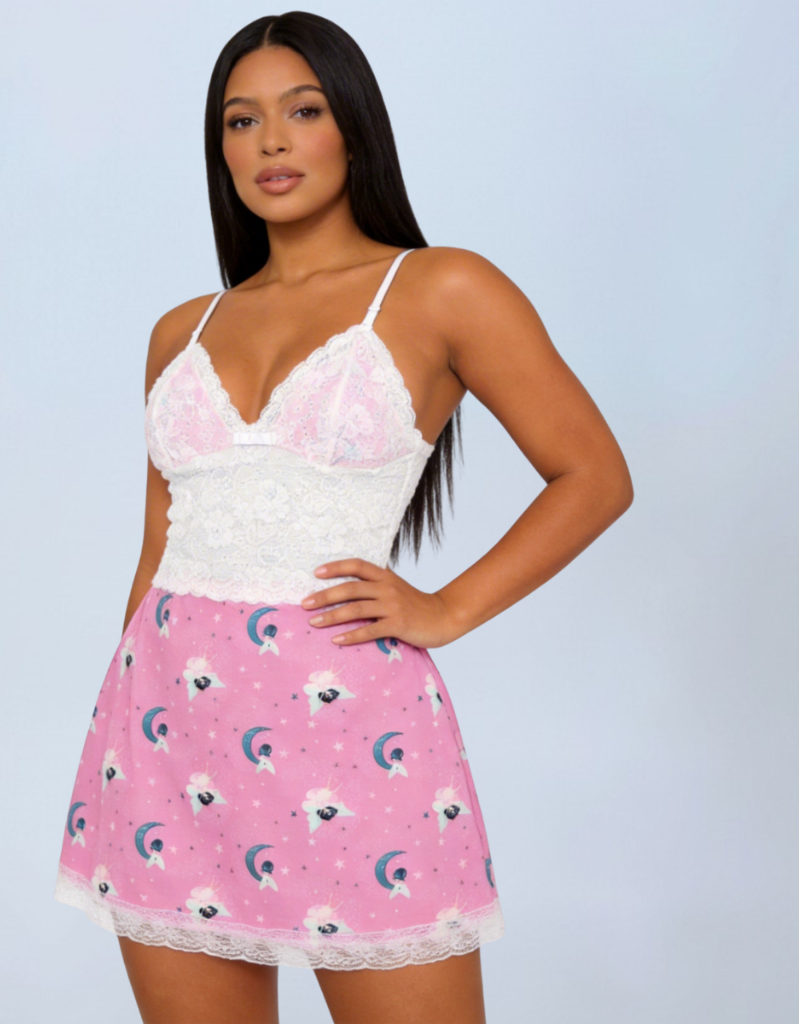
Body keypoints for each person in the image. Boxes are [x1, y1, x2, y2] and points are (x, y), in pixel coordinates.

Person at [54, 12, 633, 1024]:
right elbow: (158, 546)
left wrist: (445, 608)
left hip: (350, 737)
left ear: (354, 128)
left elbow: (593, 475)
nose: (271, 142)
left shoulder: (442, 287)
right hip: (166, 738)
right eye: (241, 121)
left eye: (303, 110)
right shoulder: (179, 330)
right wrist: (127, 714)